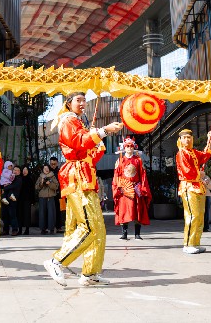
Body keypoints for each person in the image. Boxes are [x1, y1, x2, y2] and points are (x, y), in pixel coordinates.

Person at [43, 92, 122, 287]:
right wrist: (102, 131)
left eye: (84, 100)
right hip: (77, 177)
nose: (83, 103)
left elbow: (90, 153)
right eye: (78, 100)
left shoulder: (79, 123)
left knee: (99, 229)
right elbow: (79, 142)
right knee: (90, 226)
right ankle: (57, 261)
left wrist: (97, 140)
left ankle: (90, 273)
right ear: (69, 104)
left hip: (86, 175)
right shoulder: (68, 121)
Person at [175, 128, 211, 254]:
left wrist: (210, 140)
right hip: (189, 186)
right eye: (185, 137)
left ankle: (195, 242)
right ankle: (188, 244)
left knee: (200, 216)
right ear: (180, 140)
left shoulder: (193, 152)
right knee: (192, 215)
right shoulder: (181, 154)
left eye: (189, 137)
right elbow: (187, 171)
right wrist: (200, 173)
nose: (187, 139)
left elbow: (205, 156)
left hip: (198, 186)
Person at [112, 137, 151, 241]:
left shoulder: (138, 160)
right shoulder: (120, 160)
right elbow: (117, 175)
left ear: (134, 148)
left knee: (137, 210)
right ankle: (124, 234)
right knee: (124, 211)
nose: (129, 148)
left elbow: (142, 175)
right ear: (124, 148)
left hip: (136, 188)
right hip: (124, 190)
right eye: (127, 146)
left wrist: (141, 188)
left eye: (131, 146)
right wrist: (119, 187)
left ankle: (137, 234)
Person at [35, 164, 58, 234]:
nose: (46, 170)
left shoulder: (53, 176)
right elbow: (36, 187)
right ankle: (43, 229)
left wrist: (49, 184)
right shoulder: (40, 177)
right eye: (45, 168)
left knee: (51, 213)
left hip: (50, 197)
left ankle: (51, 229)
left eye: (47, 168)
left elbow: (56, 186)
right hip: (42, 197)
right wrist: (41, 183)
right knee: (42, 213)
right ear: (43, 170)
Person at [18, 166, 34, 235]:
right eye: (23, 169)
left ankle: (27, 229)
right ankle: (20, 229)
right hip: (20, 199)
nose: (25, 171)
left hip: (27, 199)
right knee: (20, 214)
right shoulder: (20, 178)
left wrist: (32, 200)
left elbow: (32, 190)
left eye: (26, 169)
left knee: (27, 215)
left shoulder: (30, 179)